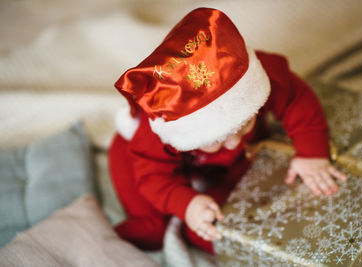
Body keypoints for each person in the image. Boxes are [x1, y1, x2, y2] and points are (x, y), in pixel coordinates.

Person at [108, 7, 347, 254]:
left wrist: (311, 153)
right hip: (137, 158)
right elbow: (153, 177)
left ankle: (229, 230)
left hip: (228, 167)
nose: (234, 143)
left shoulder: (256, 76)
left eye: (245, 124)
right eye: (216, 140)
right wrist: (186, 203)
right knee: (153, 227)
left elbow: (296, 97)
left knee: (223, 214)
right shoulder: (157, 133)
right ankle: (132, 231)